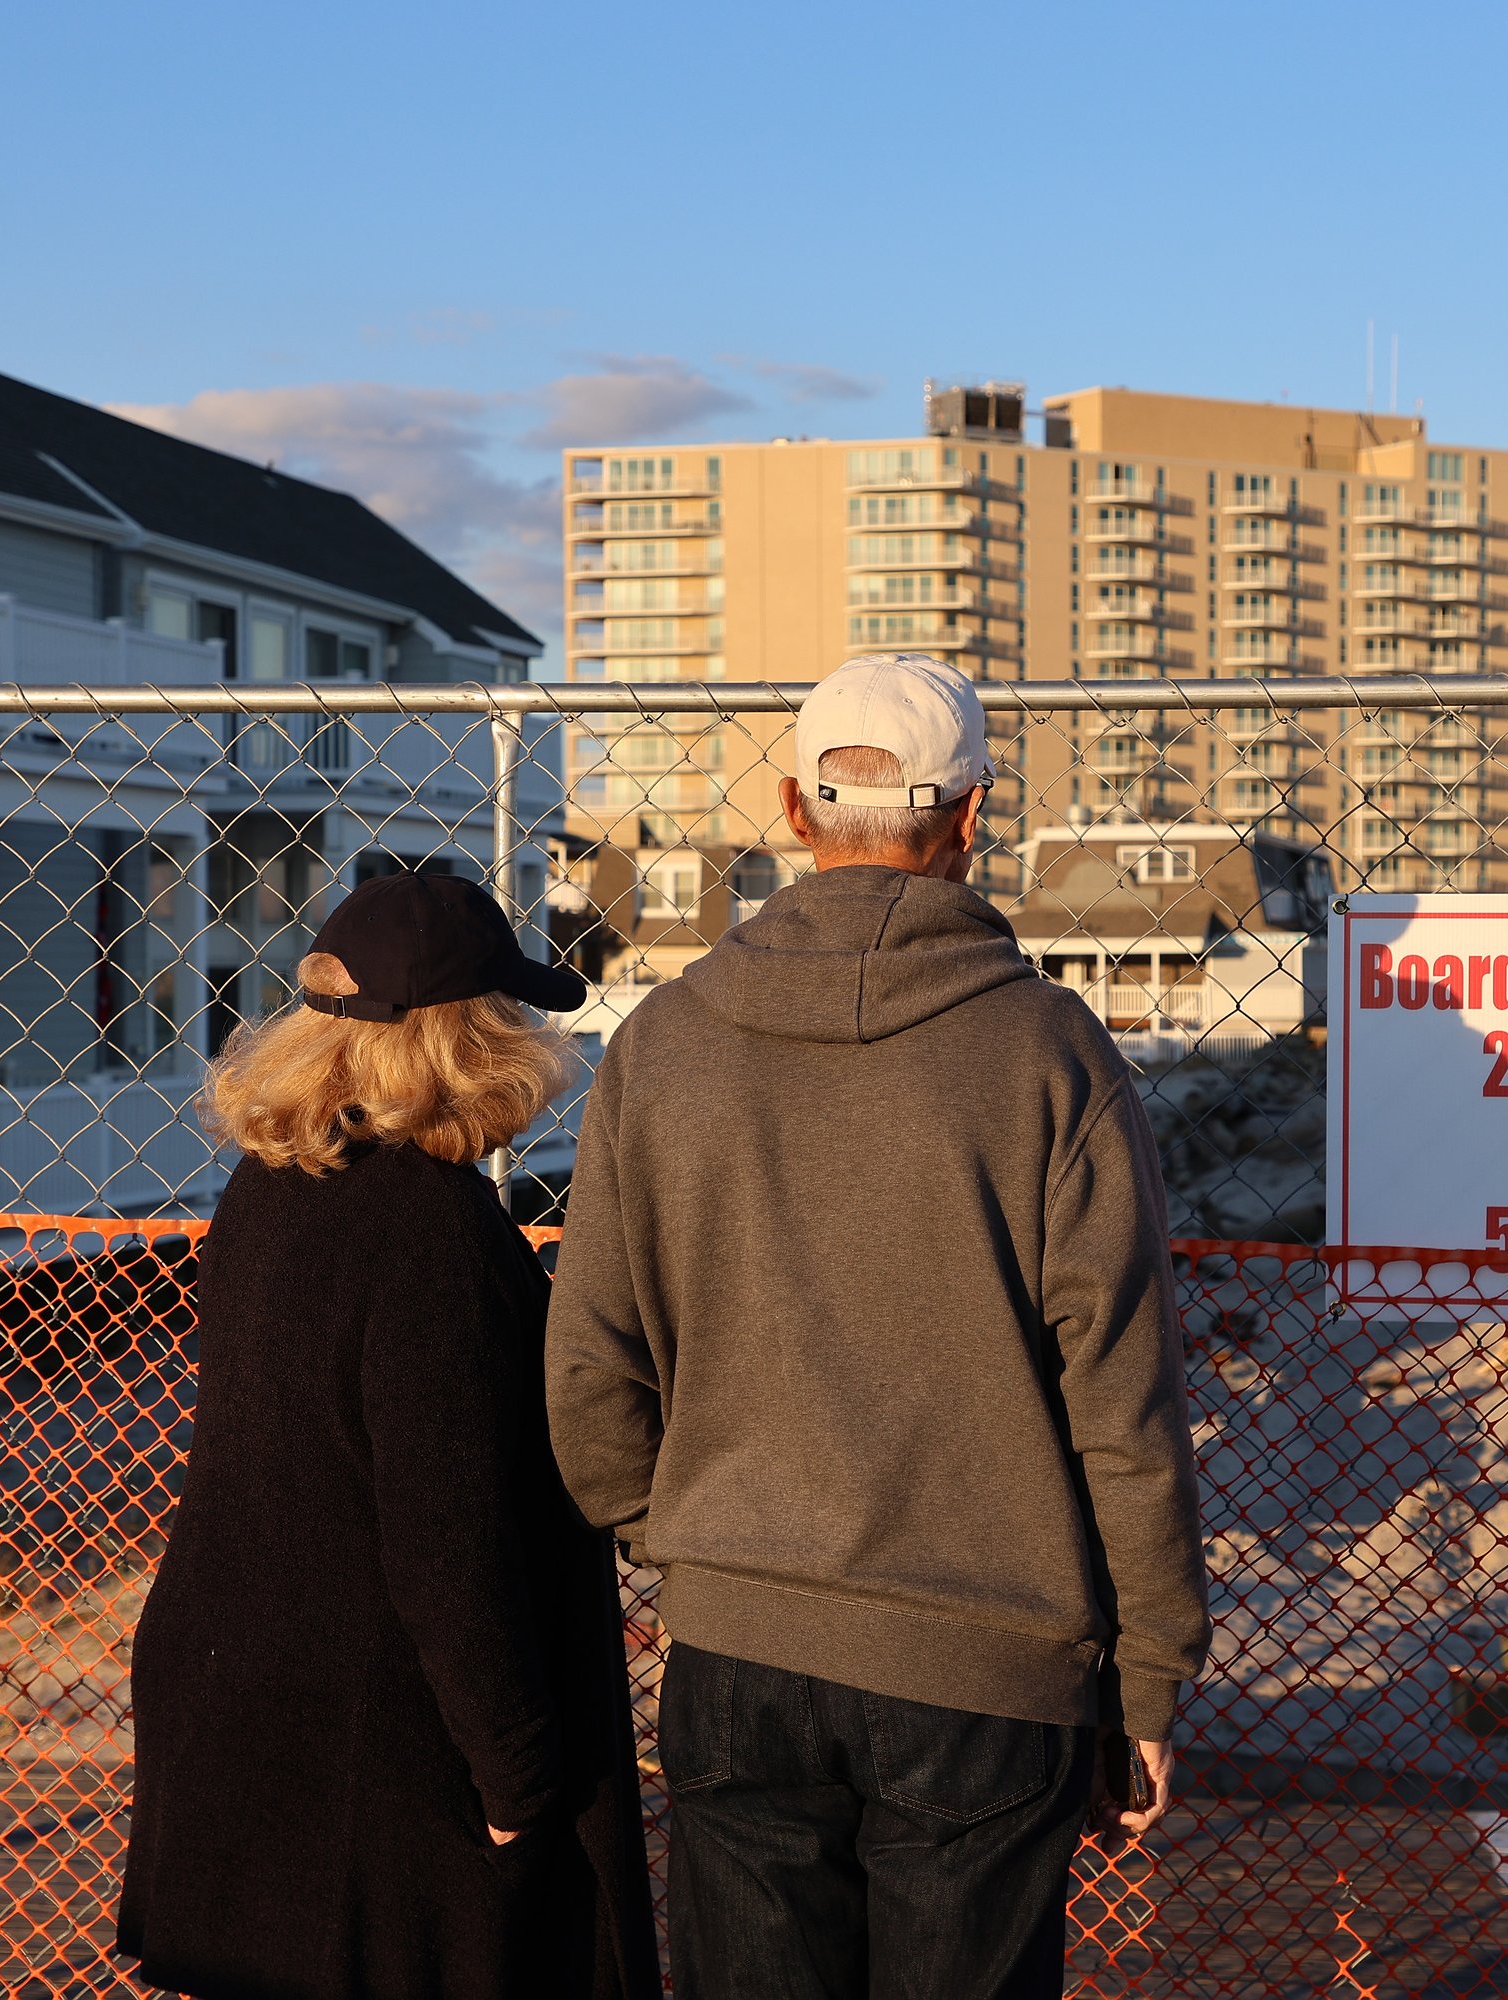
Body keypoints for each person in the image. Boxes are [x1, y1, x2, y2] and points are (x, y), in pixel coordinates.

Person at [546, 654, 1211, 2000]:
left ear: (795, 809)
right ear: (972, 816)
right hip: (986, 1666)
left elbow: (588, 1371)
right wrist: (1147, 1676)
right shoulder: (1048, 1052)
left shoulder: (662, 1046)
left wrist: (684, 1532)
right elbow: (1123, 1400)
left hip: (737, 1646)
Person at [116, 871, 661, 2000]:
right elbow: (444, 1539)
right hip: (374, 1765)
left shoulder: (268, 1186)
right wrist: (517, 1780)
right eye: (505, 1013)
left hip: (246, 1717)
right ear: (467, 1038)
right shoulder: (429, 1232)